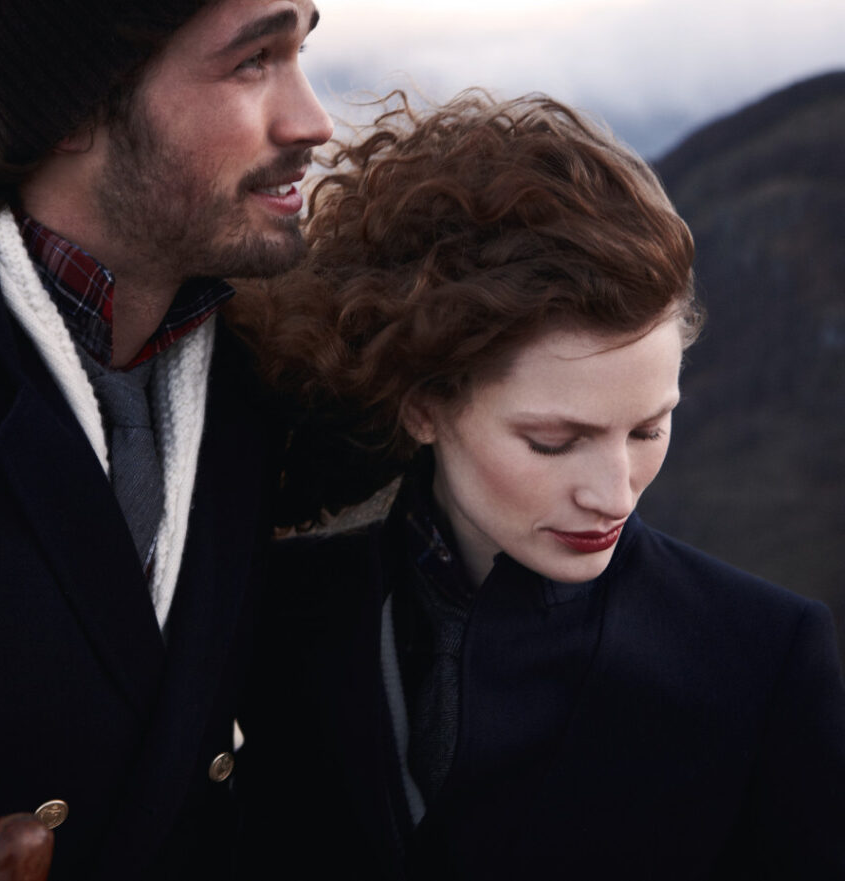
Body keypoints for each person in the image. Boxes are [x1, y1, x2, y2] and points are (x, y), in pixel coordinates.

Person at [229, 92, 845, 879]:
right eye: (555, 442)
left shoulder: (762, 657)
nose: (614, 493)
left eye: (649, 429)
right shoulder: (274, 614)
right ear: (423, 405)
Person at [0, 1, 332, 879]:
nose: (312, 120)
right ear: (69, 109)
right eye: (254, 60)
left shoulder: (277, 378)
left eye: (300, 51)